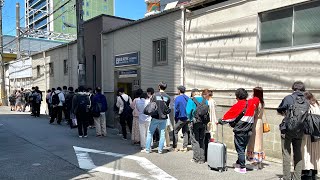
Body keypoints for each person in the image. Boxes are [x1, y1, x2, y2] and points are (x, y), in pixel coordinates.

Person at [218, 88, 260, 174]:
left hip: (240, 131)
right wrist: (254, 93)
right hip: (249, 131)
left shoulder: (237, 105)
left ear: (237, 97)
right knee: (242, 148)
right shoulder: (252, 102)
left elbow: (227, 117)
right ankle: (238, 163)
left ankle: (242, 167)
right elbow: (257, 99)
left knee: (240, 149)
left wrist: (218, 121)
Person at [277, 81, 307, 180]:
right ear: (303, 89)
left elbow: (280, 109)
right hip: (300, 130)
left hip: (287, 129)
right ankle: (297, 177)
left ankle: (286, 177)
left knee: (286, 153)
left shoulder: (288, 98)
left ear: (293, 88)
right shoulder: (306, 100)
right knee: (298, 153)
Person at [144, 82, 171, 154]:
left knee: (150, 132)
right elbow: (167, 107)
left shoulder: (154, 95)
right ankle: (160, 150)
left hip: (155, 117)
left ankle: (147, 149)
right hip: (164, 118)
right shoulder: (168, 97)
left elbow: (151, 105)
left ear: (159, 86)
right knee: (162, 133)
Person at [186, 89, 208, 164]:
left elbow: (188, 111)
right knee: (202, 139)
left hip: (195, 122)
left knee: (195, 140)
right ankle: (202, 159)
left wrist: (190, 118)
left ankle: (196, 158)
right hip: (203, 122)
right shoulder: (205, 100)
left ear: (193, 94)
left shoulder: (191, 100)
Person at [301, 91, 320, 180]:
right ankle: (314, 172)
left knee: (306, 151)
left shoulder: (307, 106)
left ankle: (307, 172)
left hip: (308, 133)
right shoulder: (317, 104)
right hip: (317, 134)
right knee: (315, 153)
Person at [246, 87, 265, 170]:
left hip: (255, 122)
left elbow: (252, 112)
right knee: (259, 142)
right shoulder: (262, 101)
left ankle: (255, 163)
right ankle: (259, 162)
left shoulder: (256, 101)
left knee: (254, 142)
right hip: (260, 122)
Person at [172, 85, 189, 152]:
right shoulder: (187, 98)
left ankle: (175, 147)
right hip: (187, 118)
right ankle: (185, 147)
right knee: (185, 132)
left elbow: (176, 110)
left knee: (175, 131)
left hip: (181, 117)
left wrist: (175, 118)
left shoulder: (178, 98)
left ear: (179, 90)